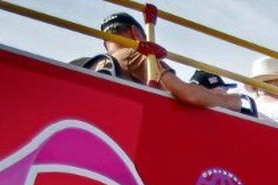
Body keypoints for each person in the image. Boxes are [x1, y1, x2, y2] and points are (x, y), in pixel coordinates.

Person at [93, 13, 248, 113]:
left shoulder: (96, 65)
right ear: (135, 32)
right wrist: (227, 100)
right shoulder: (134, 54)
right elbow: (188, 94)